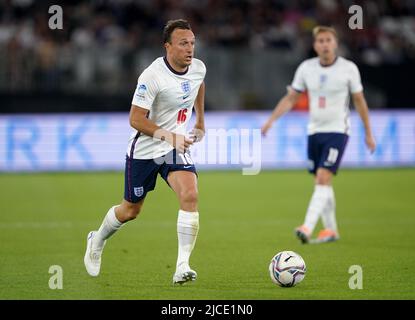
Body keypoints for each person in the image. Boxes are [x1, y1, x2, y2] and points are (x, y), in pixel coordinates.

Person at [84, 19, 206, 284]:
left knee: (190, 194)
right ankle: (97, 239)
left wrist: (200, 121)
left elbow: (198, 84)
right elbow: (136, 119)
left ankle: (182, 266)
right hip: (146, 149)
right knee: (130, 211)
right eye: (183, 43)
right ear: (168, 47)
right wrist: (170, 135)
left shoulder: (197, 68)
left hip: (173, 148)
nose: (190, 49)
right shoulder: (152, 76)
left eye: (192, 43)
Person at [261, 26, 376, 244]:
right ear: (315, 45)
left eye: (328, 40)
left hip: (337, 131)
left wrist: (369, 132)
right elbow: (291, 98)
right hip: (314, 131)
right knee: (321, 181)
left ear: (335, 43)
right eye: (320, 41)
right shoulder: (306, 68)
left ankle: (307, 226)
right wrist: (270, 121)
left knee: (323, 177)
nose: (324, 44)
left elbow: (359, 101)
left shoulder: (348, 68)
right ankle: (331, 230)